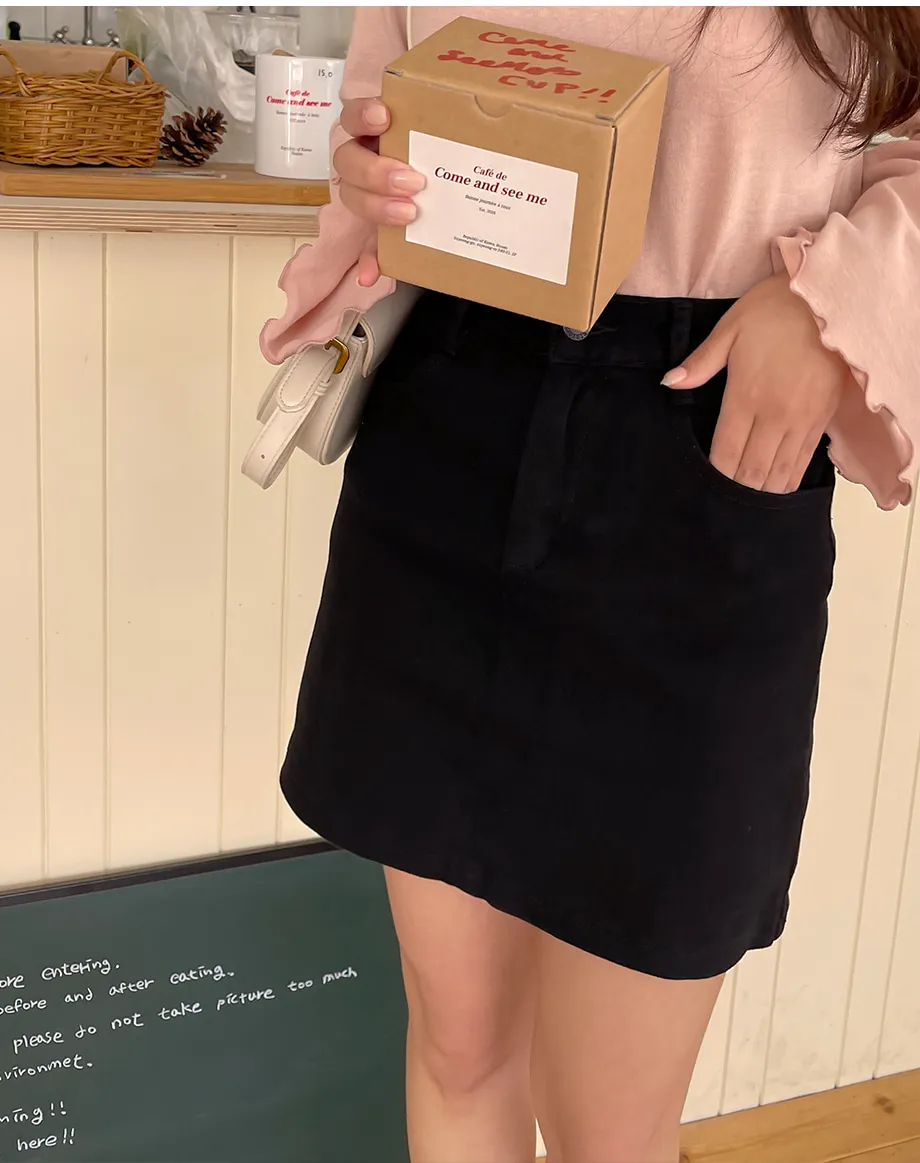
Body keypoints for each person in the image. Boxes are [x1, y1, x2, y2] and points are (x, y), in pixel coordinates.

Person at [260, 8, 920, 1162]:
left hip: (703, 452)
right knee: (457, 1046)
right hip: (448, 430)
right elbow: (380, 121)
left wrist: (835, 300)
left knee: (607, 1129)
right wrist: (371, 169)